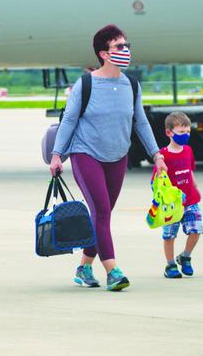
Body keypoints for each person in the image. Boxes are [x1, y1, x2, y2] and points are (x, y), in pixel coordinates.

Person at [50, 24, 168, 292]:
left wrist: (156, 155)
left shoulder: (132, 85)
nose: (125, 50)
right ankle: (113, 271)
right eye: (119, 46)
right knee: (102, 211)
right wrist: (57, 155)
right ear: (104, 53)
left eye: (127, 45)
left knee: (101, 214)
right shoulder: (87, 84)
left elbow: (141, 123)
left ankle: (84, 267)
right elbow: (68, 120)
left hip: (118, 156)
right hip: (86, 153)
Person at [154, 112, 203, 279]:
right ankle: (170, 265)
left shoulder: (188, 150)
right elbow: (156, 180)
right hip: (171, 204)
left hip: (190, 200)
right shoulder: (162, 155)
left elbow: (190, 171)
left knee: (196, 230)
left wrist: (196, 188)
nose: (186, 135)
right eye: (182, 132)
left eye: (188, 132)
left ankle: (185, 256)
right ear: (169, 132)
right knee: (169, 235)